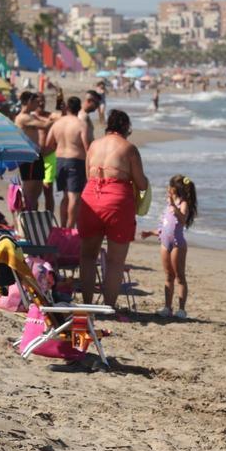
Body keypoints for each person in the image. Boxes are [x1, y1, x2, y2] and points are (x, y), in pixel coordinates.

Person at [78, 110, 148, 307]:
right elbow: (141, 184)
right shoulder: (129, 148)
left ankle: (87, 303)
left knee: (87, 256)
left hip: (91, 198)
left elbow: (88, 176)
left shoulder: (94, 145)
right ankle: (108, 306)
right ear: (126, 127)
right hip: (117, 202)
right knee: (115, 261)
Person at [142, 174, 198, 320]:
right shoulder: (168, 207)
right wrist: (150, 233)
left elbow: (183, 219)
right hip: (165, 243)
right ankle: (167, 307)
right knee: (168, 276)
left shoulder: (182, 204)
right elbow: (165, 227)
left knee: (180, 277)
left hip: (177, 244)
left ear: (175, 189)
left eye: (170, 186)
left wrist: (173, 205)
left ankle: (182, 310)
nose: (168, 188)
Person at [46, 96, 89, 229]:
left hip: (60, 160)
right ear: (79, 108)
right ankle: (69, 229)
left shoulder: (57, 123)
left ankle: (63, 227)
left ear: (67, 108)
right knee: (74, 197)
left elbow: (48, 144)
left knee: (65, 196)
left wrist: (59, 147)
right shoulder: (81, 124)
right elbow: (87, 147)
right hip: (75, 161)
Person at [14, 91, 55, 211]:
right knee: (29, 191)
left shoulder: (31, 115)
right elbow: (45, 125)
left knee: (37, 189)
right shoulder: (23, 117)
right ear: (29, 102)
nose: (38, 104)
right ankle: (25, 215)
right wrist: (64, 119)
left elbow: (45, 121)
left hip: (36, 156)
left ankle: (33, 214)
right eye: (36, 102)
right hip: (28, 157)